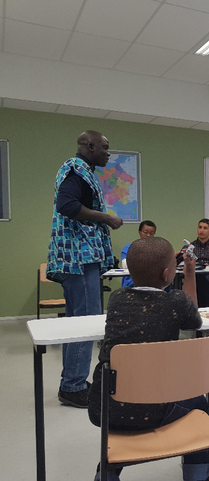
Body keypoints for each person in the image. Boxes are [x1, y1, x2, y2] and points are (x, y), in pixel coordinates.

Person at [86, 237, 209, 481]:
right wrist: (189, 272)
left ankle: (104, 480)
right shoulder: (177, 302)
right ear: (169, 273)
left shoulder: (117, 299)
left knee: (124, 407)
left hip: (105, 406)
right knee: (201, 403)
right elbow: (194, 320)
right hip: (156, 408)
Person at [46, 130, 123, 408]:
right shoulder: (75, 169)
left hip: (78, 259)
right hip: (78, 259)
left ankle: (73, 381)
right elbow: (66, 205)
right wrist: (106, 218)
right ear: (89, 146)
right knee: (85, 321)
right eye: (105, 147)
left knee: (76, 322)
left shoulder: (83, 171)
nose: (108, 153)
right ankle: (73, 387)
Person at [178, 218, 209, 307]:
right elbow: (179, 265)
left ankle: (198, 307)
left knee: (200, 280)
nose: (201, 230)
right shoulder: (189, 247)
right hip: (193, 275)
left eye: (205, 228)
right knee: (197, 277)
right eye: (200, 227)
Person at [119, 220, 156, 288]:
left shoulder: (157, 249)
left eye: (151, 233)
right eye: (145, 232)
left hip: (153, 283)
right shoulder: (129, 247)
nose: (148, 235)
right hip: (132, 283)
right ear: (140, 233)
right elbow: (126, 265)